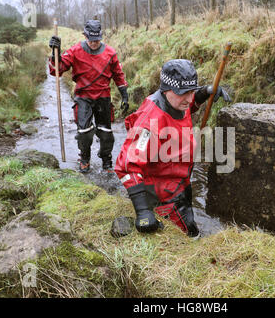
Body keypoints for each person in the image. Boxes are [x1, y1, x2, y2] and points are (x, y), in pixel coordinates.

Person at [114, 59, 230, 237]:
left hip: (179, 180)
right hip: (163, 192)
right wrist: (143, 212)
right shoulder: (150, 122)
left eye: (192, 91)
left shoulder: (175, 101)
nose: (190, 99)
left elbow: (187, 106)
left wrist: (205, 92)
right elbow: (127, 166)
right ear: (166, 89)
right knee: (188, 232)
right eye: (184, 93)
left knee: (189, 221)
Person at [48, 19, 129, 173]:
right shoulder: (75, 51)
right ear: (85, 36)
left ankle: (106, 161)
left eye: (97, 39)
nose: (94, 43)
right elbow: (57, 70)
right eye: (91, 39)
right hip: (83, 96)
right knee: (84, 133)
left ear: (101, 36)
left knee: (106, 133)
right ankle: (85, 158)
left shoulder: (110, 53)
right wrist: (55, 53)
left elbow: (118, 75)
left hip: (103, 97)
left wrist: (124, 95)